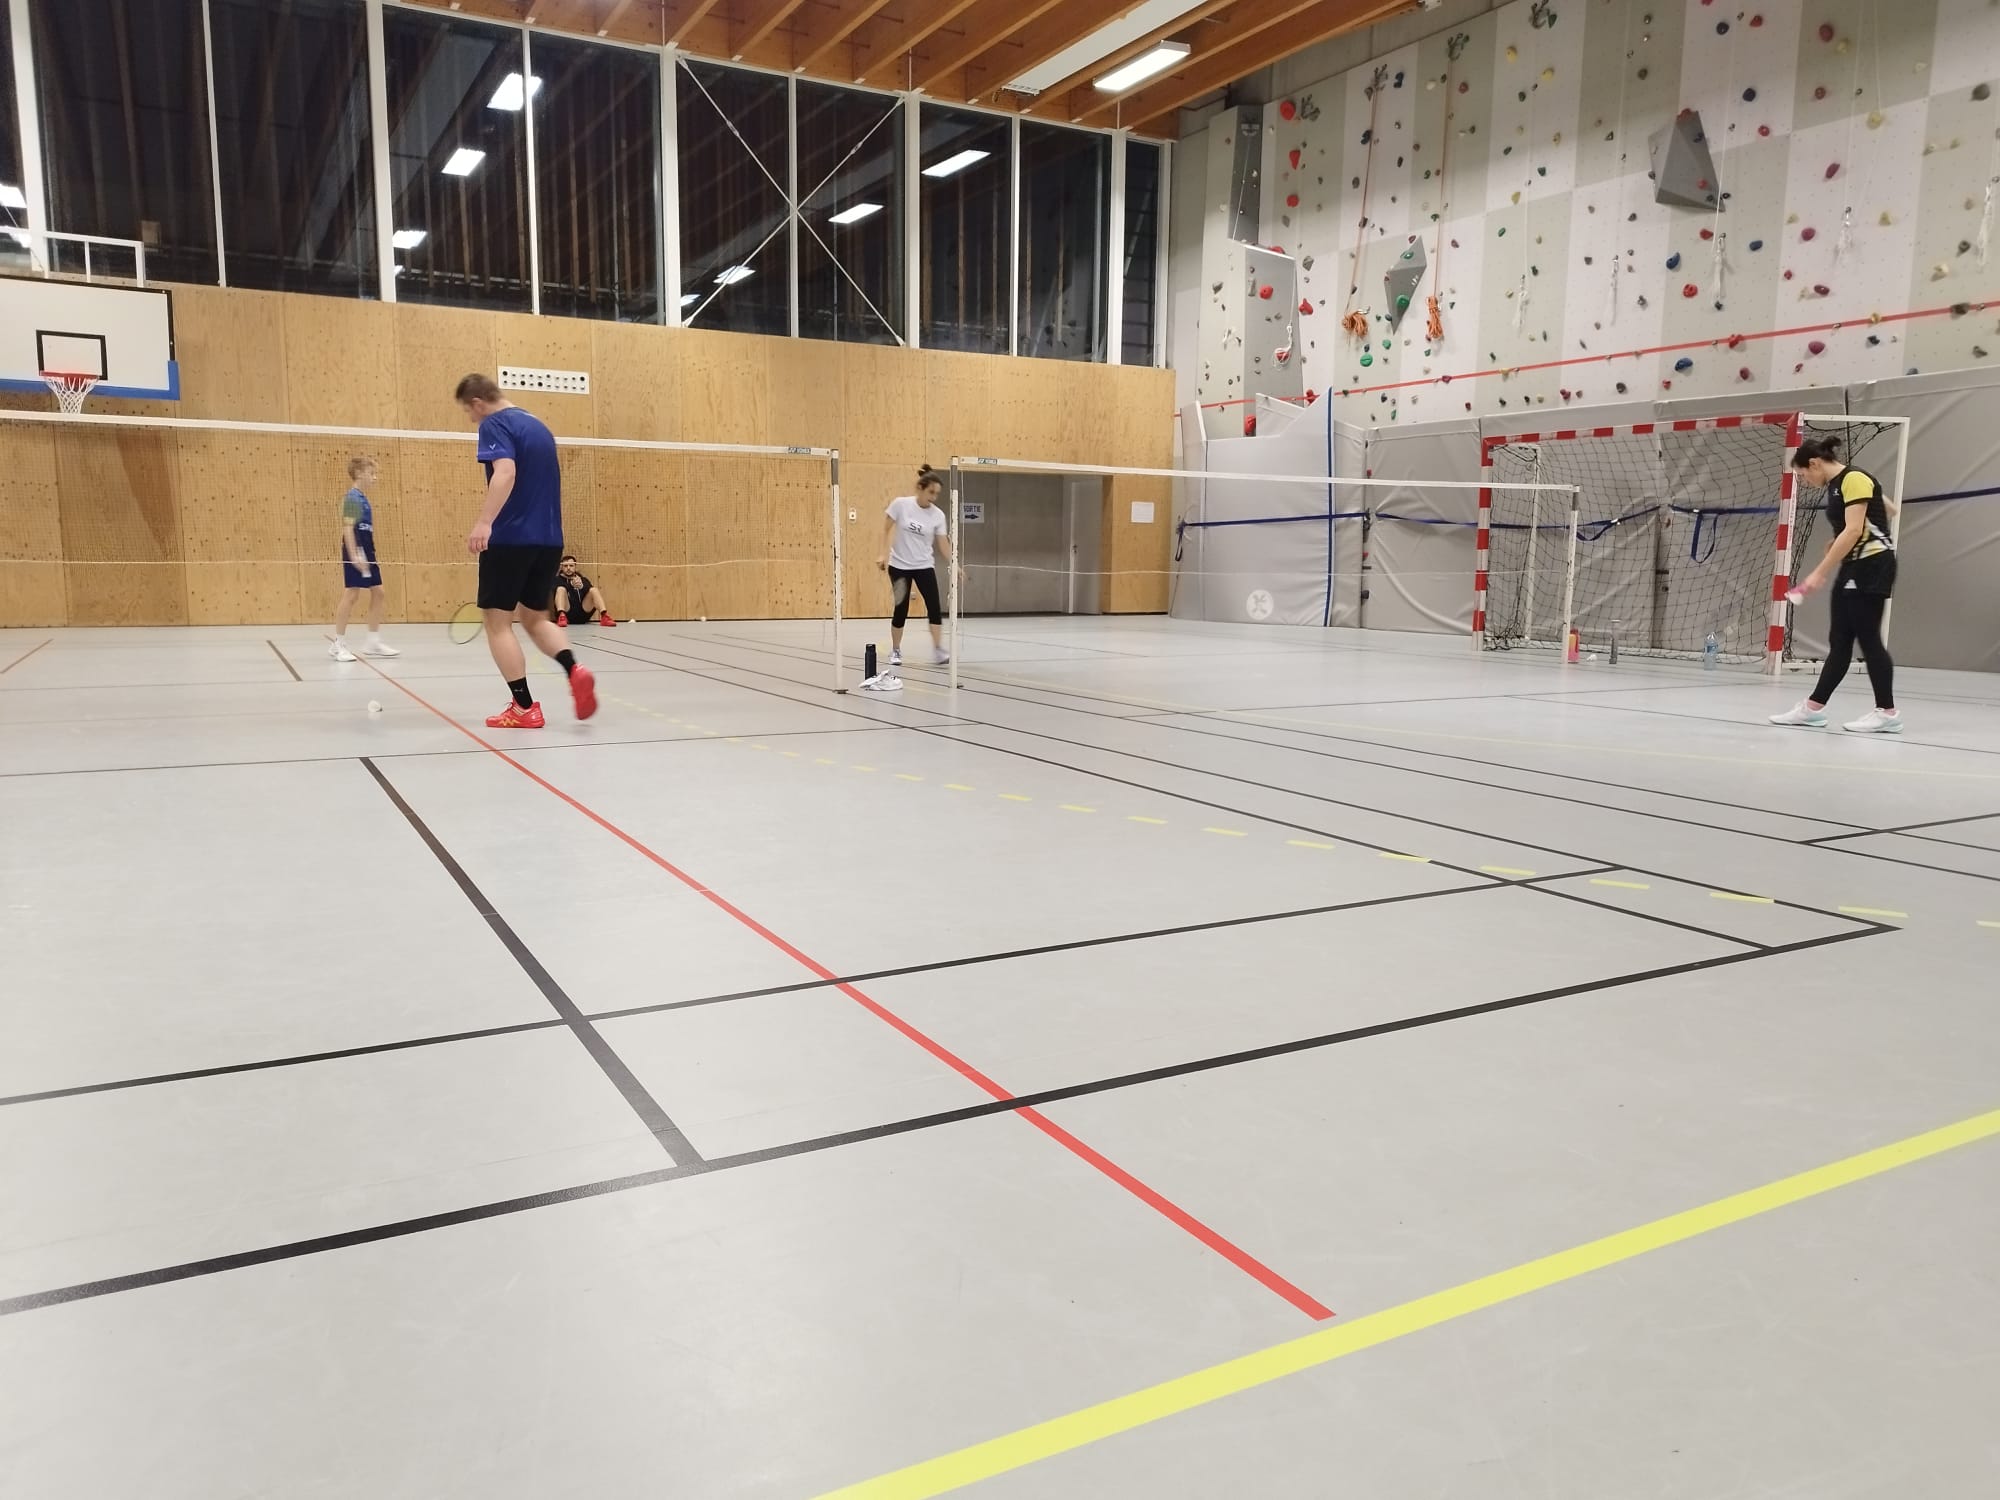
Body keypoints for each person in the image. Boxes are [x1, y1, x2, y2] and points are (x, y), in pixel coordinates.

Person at [455, 373, 597, 728]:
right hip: (549, 540)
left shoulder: (494, 424)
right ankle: (573, 668)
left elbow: (505, 472)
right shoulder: (539, 427)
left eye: (468, 411)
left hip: (510, 539)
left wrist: (485, 522)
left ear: (478, 403)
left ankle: (523, 708)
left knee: (497, 624)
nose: (471, 419)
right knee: (535, 619)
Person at [1769, 436, 1901, 734]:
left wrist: (1818, 573)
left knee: (1868, 638)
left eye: (1804, 475)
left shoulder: (1853, 479)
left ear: (1814, 463)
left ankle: (1887, 712)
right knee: (1840, 639)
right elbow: (1888, 510)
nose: (1805, 481)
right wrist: (1841, 537)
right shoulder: (1840, 483)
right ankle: (1813, 709)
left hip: (1872, 565)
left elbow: (1854, 530)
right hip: (1855, 564)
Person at [877, 465, 956, 666]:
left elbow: (943, 543)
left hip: (924, 566)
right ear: (920, 488)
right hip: (899, 566)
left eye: (937, 494)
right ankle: (896, 650)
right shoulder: (901, 505)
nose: (934, 497)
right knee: (901, 608)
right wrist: (882, 554)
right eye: (931, 492)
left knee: (934, 607)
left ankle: (938, 650)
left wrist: (954, 564)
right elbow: (885, 529)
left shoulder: (938, 515)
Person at [329, 456, 399, 662]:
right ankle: (338, 644)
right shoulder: (352, 498)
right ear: (359, 474)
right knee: (352, 594)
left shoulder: (363, 498)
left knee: (379, 592)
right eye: (371, 473)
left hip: (367, 549)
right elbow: (348, 528)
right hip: (357, 550)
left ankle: (372, 642)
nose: (375, 478)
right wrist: (354, 555)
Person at [553, 556, 616, 627]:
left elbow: (590, 591)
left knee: (594, 590)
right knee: (560, 589)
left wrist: (582, 586)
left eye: (571, 565)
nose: (568, 568)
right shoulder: (557, 579)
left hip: (583, 613)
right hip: (567, 614)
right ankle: (561, 616)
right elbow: (555, 592)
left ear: (575, 566)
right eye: (565, 566)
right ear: (561, 567)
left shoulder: (583, 579)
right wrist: (571, 585)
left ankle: (604, 616)